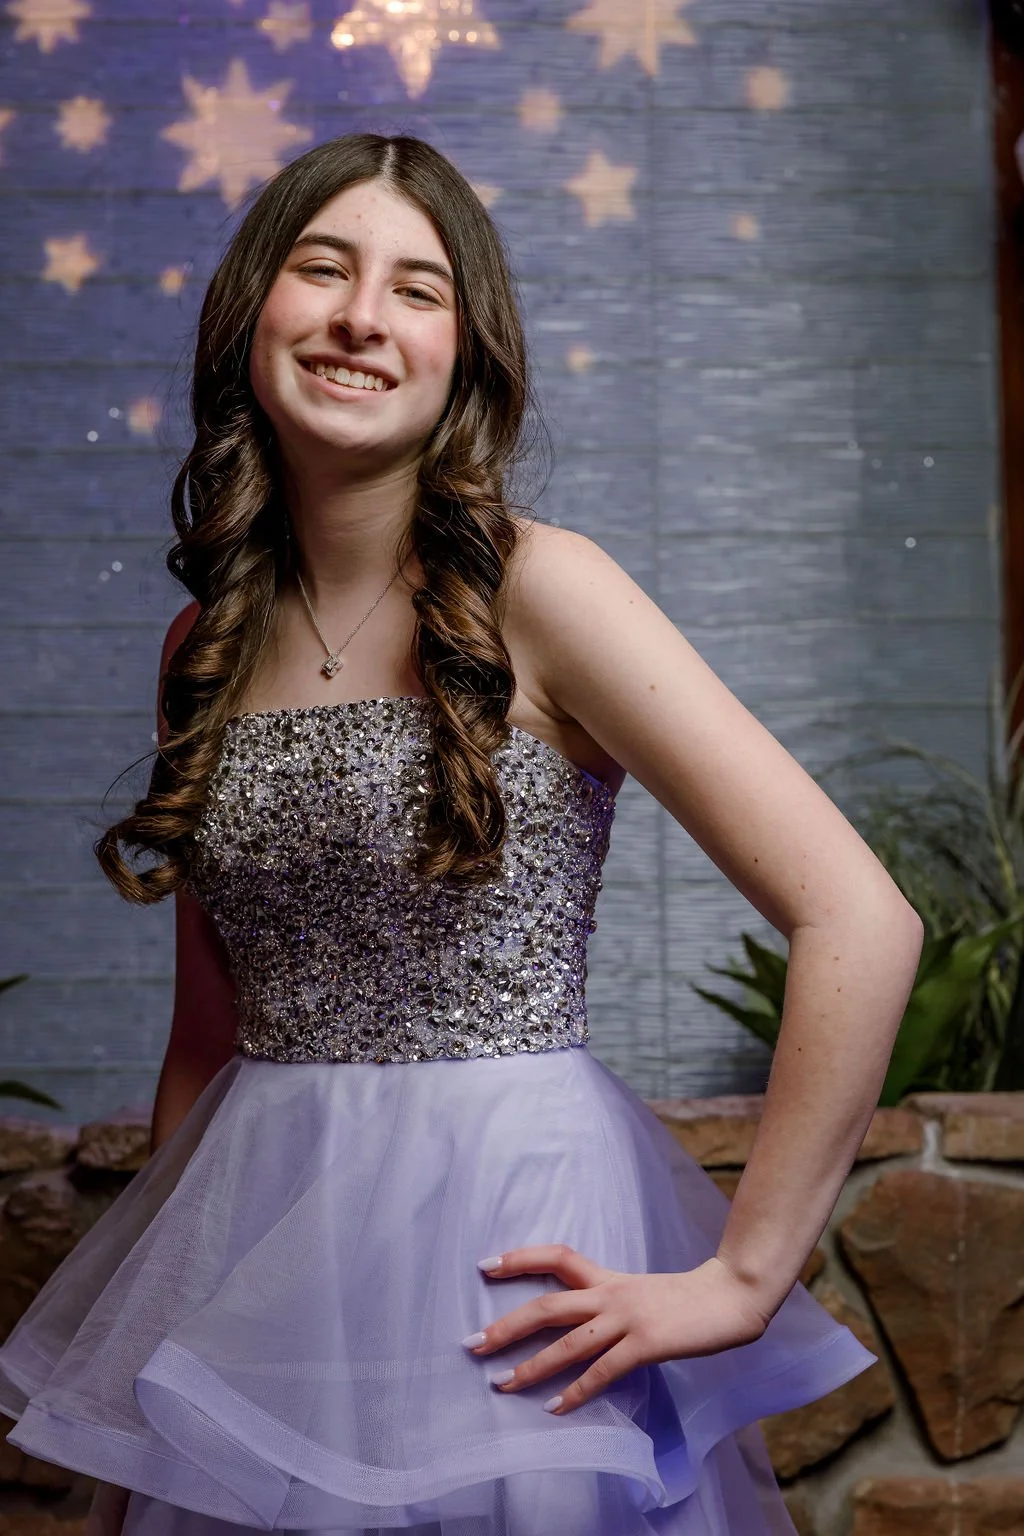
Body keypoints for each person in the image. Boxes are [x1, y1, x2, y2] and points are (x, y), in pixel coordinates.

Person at [0, 134, 923, 1536]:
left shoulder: (548, 588)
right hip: (268, 1252)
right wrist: (163, 1342)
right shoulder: (206, 637)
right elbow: (207, 1033)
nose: (363, 315)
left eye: (416, 289)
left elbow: (862, 915)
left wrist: (745, 1277)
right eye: (324, 268)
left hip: (508, 1234)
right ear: (255, 310)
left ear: (466, 355)